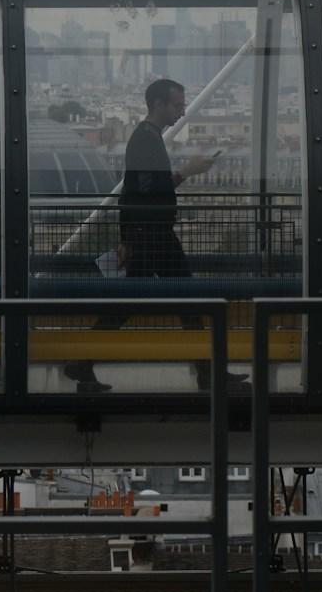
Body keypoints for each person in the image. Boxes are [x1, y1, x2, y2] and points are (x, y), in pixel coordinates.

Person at [64, 78, 245, 394]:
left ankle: (83, 360)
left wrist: (125, 237)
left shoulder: (144, 137)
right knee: (184, 301)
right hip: (154, 235)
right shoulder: (147, 140)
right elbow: (149, 189)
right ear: (158, 104)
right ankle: (207, 372)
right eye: (177, 105)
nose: (182, 111)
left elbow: (131, 192)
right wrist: (187, 171)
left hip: (146, 233)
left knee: (135, 303)